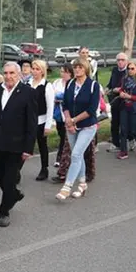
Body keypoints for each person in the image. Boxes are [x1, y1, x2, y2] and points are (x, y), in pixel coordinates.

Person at [0, 62, 37, 227]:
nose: (8, 76)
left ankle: (4, 211)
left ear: (19, 74)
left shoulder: (28, 93)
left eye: (12, 73)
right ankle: (13, 194)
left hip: (17, 144)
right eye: (6, 73)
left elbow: (31, 122)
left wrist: (28, 148)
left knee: (9, 178)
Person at [57, 59, 101, 200]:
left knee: (75, 154)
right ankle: (82, 184)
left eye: (80, 67)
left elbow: (91, 109)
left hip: (87, 126)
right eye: (75, 67)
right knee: (78, 155)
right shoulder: (70, 84)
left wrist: (74, 120)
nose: (77, 70)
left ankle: (67, 187)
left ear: (86, 69)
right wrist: (68, 120)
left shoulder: (93, 86)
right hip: (71, 124)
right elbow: (66, 104)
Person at [29, 59, 54, 180]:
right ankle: (16, 170)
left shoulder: (46, 86)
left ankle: (44, 169)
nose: (34, 71)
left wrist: (48, 125)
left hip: (41, 120)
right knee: (25, 145)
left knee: (42, 145)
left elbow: (50, 107)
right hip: (28, 120)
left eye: (37, 69)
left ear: (42, 71)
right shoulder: (27, 84)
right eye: (33, 69)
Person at [117, 59, 136, 159]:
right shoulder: (125, 79)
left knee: (134, 130)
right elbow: (122, 88)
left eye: (132, 69)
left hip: (135, 108)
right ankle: (123, 151)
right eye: (128, 69)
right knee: (123, 129)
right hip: (124, 107)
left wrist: (130, 97)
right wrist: (121, 92)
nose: (130, 71)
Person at [105, 53, 129, 152]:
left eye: (122, 60)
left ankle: (130, 139)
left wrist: (119, 90)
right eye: (118, 60)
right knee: (114, 123)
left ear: (126, 61)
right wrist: (107, 88)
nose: (120, 62)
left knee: (125, 124)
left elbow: (130, 86)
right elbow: (111, 83)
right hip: (114, 101)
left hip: (125, 101)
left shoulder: (129, 71)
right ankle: (116, 143)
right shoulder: (115, 70)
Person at [52, 64, 73, 167]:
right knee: (61, 135)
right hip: (58, 115)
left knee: (65, 137)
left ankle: (60, 157)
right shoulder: (56, 82)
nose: (62, 74)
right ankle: (66, 156)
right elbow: (52, 96)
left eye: (65, 72)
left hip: (69, 115)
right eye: (61, 71)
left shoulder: (72, 83)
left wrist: (61, 98)